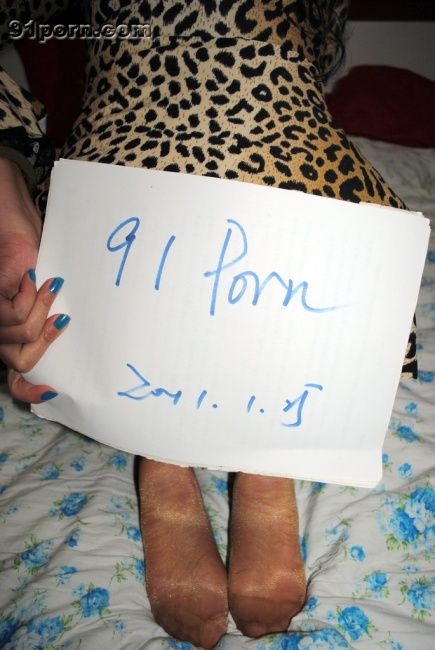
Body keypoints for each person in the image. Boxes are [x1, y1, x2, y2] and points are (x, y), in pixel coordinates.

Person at [0, 2, 417, 648]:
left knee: (291, 214)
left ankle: (263, 446)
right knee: (145, 225)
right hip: (125, 124)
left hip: (283, 124)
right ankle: (160, 445)